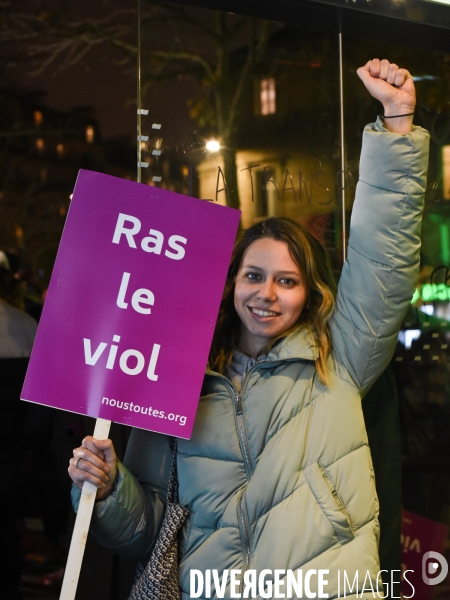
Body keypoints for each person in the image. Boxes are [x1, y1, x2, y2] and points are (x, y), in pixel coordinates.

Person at [69, 59, 430, 598]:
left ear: (310, 294)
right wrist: (107, 488)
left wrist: (397, 124)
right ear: (231, 281)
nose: (267, 294)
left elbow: (385, 259)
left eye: (287, 281)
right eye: (254, 276)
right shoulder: (174, 379)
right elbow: (144, 534)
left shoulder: (341, 355)